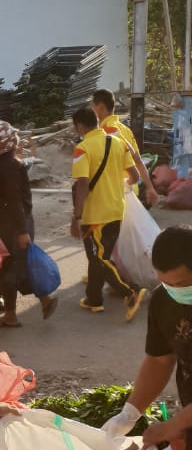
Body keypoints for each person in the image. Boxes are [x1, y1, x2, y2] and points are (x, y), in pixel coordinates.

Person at [103, 227, 192, 450]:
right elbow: (159, 360)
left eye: (181, 283)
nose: (175, 290)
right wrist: (129, 413)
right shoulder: (164, 299)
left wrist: (175, 424)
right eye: (166, 282)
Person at [71, 106, 145, 321]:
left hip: (95, 215)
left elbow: (82, 183)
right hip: (116, 209)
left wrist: (77, 216)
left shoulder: (82, 148)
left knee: (99, 258)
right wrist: (120, 186)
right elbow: (133, 175)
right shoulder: (118, 143)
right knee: (99, 256)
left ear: (81, 126)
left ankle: (130, 291)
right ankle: (94, 299)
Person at [0, 120, 58, 326]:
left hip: (12, 226)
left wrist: (21, 231)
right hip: (15, 224)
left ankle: (11, 315)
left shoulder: (6, 165)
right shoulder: (7, 163)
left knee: (7, 270)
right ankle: (45, 300)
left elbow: (13, 199)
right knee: (19, 266)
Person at [92, 88, 159, 207]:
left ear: (101, 107)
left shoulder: (108, 130)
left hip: (115, 193)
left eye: (93, 107)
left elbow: (132, 155)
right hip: (129, 190)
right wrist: (149, 187)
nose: (92, 110)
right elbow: (138, 160)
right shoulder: (125, 129)